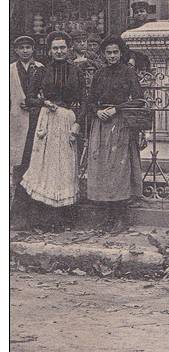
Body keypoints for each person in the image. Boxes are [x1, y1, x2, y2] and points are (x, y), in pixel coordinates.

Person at [20, 32, 86, 230]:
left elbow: (84, 100)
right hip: (47, 121)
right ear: (50, 50)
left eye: (62, 48)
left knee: (65, 167)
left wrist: (78, 124)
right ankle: (45, 218)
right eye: (55, 48)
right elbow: (29, 98)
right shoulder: (42, 71)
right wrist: (43, 102)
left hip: (67, 120)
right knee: (46, 168)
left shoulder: (76, 71)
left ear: (69, 49)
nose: (59, 51)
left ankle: (64, 218)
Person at [87, 36, 144, 233]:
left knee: (119, 170)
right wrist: (97, 111)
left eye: (115, 52)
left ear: (121, 53)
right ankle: (108, 217)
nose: (112, 56)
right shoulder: (99, 74)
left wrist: (116, 109)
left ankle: (121, 217)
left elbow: (139, 100)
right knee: (103, 169)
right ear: (103, 54)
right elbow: (91, 100)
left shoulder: (128, 72)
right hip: (101, 124)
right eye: (108, 53)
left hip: (119, 125)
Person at [10, 36, 45, 228]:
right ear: (16, 50)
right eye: (21, 48)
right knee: (19, 167)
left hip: (36, 122)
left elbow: (46, 94)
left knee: (34, 166)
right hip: (16, 123)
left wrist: (36, 103)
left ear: (33, 49)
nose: (25, 51)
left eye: (28, 47)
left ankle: (35, 216)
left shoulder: (40, 68)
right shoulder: (9, 70)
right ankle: (17, 216)